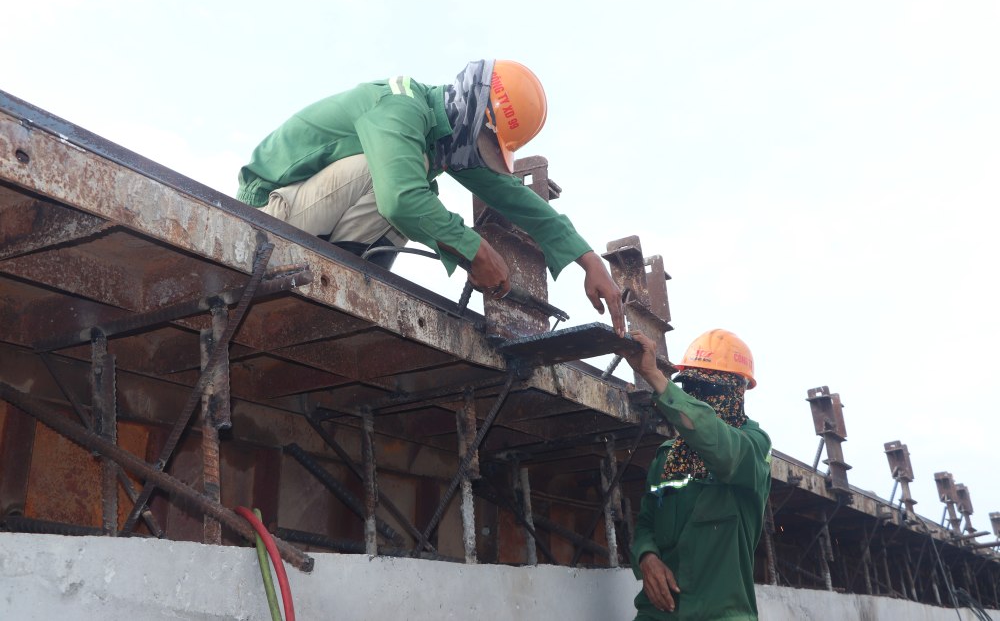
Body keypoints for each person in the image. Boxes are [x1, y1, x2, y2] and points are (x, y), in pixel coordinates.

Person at [236, 59, 624, 335]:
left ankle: (350, 282)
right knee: (406, 183)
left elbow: (511, 196)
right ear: (470, 112)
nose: (483, 157)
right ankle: (343, 276)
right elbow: (401, 199)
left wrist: (588, 260)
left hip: (311, 216)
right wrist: (476, 251)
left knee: (415, 184)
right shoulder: (400, 106)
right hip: (268, 213)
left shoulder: (446, 138)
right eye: (485, 145)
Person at [623, 329, 771, 620]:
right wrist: (647, 557)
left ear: (739, 391)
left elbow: (714, 439)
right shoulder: (668, 457)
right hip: (659, 614)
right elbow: (646, 525)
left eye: (711, 388)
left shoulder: (753, 447)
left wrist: (654, 376)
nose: (699, 396)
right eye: (692, 386)